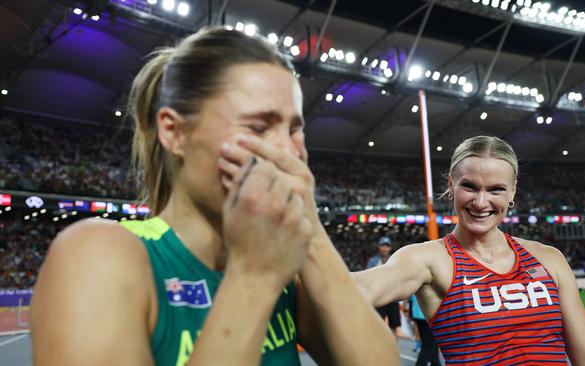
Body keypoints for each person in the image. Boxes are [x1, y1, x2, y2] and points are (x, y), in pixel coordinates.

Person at [30, 26, 399, 366]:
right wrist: (253, 277)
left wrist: (313, 234)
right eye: (258, 127)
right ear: (174, 133)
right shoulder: (100, 255)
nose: (291, 152)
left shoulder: (287, 268)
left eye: (295, 129)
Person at [353, 136, 585, 365]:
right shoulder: (429, 259)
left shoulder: (548, 258)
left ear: (513, 192)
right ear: (451, 185)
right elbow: (360, 288)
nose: (481, 202)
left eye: (496, 189)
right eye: (470, 186)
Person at [367, 236, 401, 337]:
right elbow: (368, 278)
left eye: (387, 246)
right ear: (379, 247)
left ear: (390, 248)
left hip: (393, 298)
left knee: (394, 326)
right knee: (377, 325)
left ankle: (394, 350)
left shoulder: (396, 259)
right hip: (379, 297)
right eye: (382, 246)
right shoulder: (373, 261)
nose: (384, 248)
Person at [408, 295, 440, 366]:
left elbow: (410, 299)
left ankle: (436, 364)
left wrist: (411, 314)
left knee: (433, 344)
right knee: (429, 345)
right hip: (427, 316)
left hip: (417, 314)